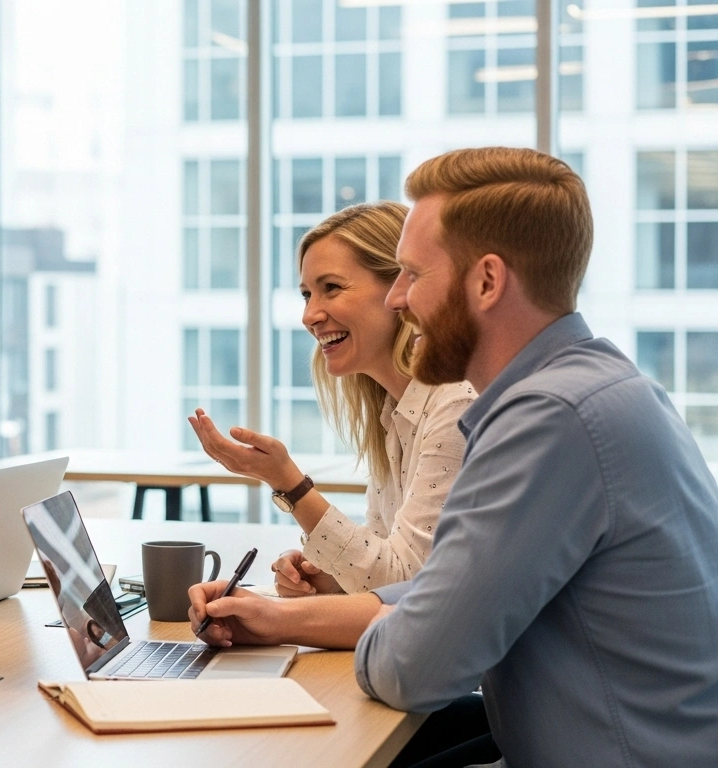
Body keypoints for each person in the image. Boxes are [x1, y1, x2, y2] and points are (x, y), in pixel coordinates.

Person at [190, 147, 718, 766]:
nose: (397, 300)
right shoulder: (597, 386)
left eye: (412, 275)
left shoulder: (547, 420)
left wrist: (378, 623)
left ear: (487, 282)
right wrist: (279, 621)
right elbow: (440, 590)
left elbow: (413, 668)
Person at [189, 202, 473, 596]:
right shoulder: (395, 413)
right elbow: (383, 563)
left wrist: (289, 484)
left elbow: (405, 586)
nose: (310, 315)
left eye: (331, 288)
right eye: (307, 294)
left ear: (400, 289)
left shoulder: (457, 404)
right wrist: (323, 577)